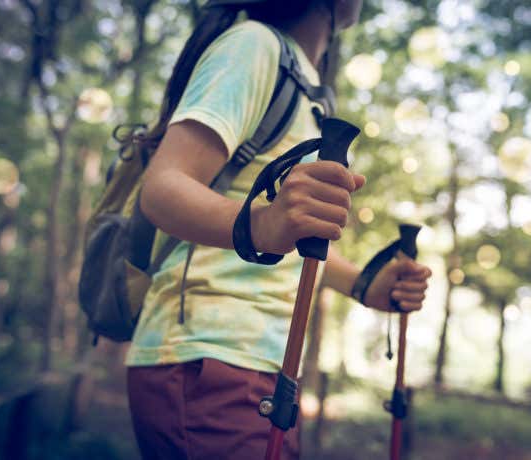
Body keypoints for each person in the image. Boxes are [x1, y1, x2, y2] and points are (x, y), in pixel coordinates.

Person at [124, 1, 432, 459]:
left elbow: (283, 242)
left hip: (259, 368)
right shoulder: (254, 45)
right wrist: (264, 223)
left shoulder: (307, 90)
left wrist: (364, 285)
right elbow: (163, 187)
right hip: (209, 359)